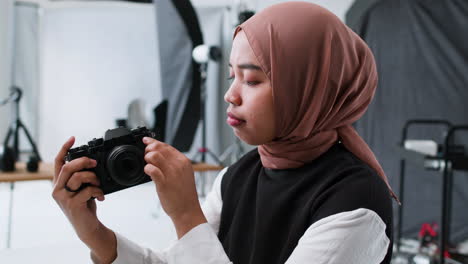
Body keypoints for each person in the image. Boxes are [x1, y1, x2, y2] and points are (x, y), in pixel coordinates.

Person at [52, 2, 397, 264]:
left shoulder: (355, 204)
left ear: (310, 90)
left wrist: (187, 215)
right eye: (232, 75)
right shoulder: (236, 176)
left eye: (252, 80)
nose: (230, 95)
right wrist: (95, 236)